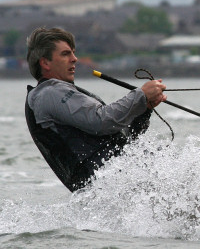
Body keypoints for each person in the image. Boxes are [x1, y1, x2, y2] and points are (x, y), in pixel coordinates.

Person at [24, 27, 167, 191]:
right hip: (109, 187)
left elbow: (125, 137)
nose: (74, 59)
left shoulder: (57, 93)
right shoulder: (48, 94)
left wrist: (144, 109)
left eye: (73, 52)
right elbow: (101, 121)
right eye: (65, 54)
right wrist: (140, 95)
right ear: (45, 62)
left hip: (120, 183)